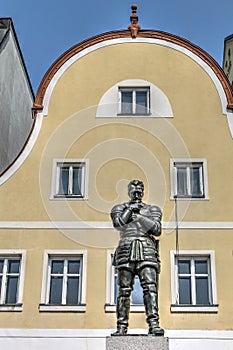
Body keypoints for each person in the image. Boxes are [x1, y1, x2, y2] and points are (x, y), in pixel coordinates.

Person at [110, 180, 164, 336]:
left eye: (139, 190)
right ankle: (121, 326)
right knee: (124, 290)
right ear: (128, 192)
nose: (137, 193)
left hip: (146, 248)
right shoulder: (119, 208)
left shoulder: (152, 209)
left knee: (150, 288)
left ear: (143, 191)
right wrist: (129, 210)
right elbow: (119, 224)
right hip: (126, 249)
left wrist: (139, 216)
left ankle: (154, 324)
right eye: (133, 190)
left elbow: (156, 228)